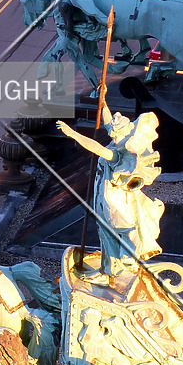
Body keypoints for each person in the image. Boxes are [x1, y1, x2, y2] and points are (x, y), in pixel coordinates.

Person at [57, 108, 164, 281]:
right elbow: (108, 122)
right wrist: (104, 100)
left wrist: (72, 134)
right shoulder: (119, 143)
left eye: (115, 131)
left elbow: (96, 148)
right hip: (103, 195)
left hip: (111, 200)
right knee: (106, 234)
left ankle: (122, 263)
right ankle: (108, 270)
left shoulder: (119, 154)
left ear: (122, 133)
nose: (111, 133)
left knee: (115, 231)